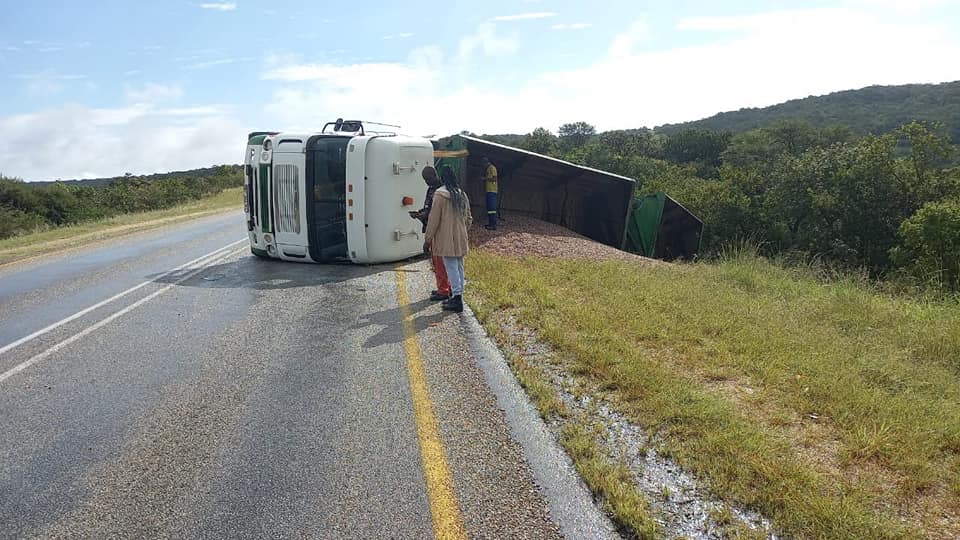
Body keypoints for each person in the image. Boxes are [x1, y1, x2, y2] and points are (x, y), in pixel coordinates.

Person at [424, 166, 472, 313]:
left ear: (443, 179)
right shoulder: (461, 194)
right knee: (459, 266)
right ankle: (458, 296)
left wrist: (428, 239)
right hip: (460, 235)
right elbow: (468, 218)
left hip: (446, 238)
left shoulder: (439, 195)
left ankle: (457, 299)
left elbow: (434, 219)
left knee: (451, 267)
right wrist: (463, 230)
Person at [410, 166, 451, 301]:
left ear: (434, 175)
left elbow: (434, 214)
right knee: (438, 261)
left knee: (440, 262)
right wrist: (419, 214)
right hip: (433, 227)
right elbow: (428, 209)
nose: (427, 182)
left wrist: (427, 239)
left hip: (438, 230)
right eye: (425, 180)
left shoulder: (440, 191)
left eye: (428, 179)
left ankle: (444, 290)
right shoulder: (432, 189)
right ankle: (445, 287)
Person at [480, 157, 498, 230]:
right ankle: (490, 224)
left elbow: (495, 178)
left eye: (483, 164)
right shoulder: (488, 169)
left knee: (492, 208)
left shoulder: (492, 168)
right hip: (488, 191)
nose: (483, 166)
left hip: (492, 191)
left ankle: (493, 225)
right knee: (489, 209)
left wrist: (485, 178)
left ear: (485, 162)